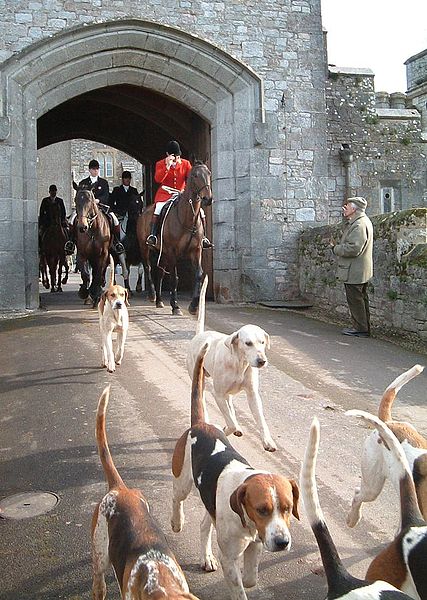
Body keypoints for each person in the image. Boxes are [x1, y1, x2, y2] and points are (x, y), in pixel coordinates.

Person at [146, 140, 213, 248]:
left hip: (181, 193)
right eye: (174, 156)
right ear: (168, 155)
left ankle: (203, 237)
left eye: (178, 156)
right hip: (165, 193)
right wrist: (167, 167)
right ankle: (153, 235)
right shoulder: (160, 164)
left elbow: (192, 178)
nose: (177, 159)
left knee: (200, 211)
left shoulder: (186, 163)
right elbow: (158, 179)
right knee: (158, 208)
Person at [332, 197, 373, 337]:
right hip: (358, 269)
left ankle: (360, 329)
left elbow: (354, 249)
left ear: (354, 209)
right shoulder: (358, 222)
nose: (345, 207)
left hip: (355, 270)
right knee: (359, 299)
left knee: (355, 300)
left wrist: (336, 249)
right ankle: (362, 327)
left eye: (348, 206)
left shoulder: (359, 224)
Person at [65, 159, 124, 255]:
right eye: (93, 169)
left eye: (97, 169)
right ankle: (71, 241)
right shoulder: (83, 183)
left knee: (115, 220)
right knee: (71, 220)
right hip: (85, 209)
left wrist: (98, 200)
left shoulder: (103, 182)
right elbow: (80, 196)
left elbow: (106, 195)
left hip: (101, 206)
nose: (95, 171)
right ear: (90, 170)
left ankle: (117, 242)